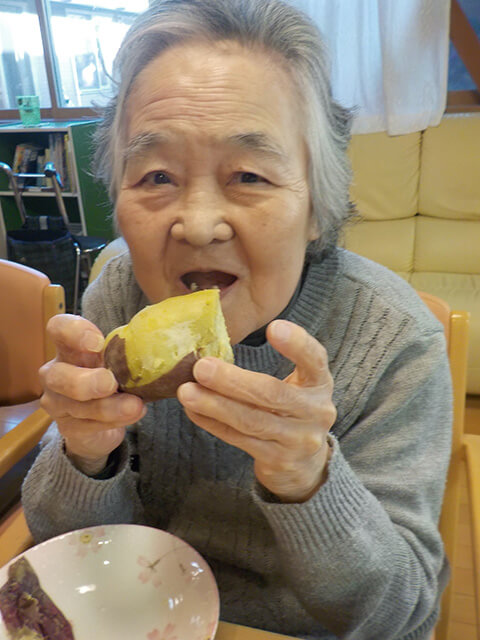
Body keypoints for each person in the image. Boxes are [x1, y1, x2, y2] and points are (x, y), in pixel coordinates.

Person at [22, 1, 452, 638]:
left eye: (249, 174)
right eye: (156, 175)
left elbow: (398, 613)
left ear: (316, 209)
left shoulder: (396, 340)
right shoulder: (120, 293)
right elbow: (71, 552)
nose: (197, 223)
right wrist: (85, 455)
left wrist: (308, 479)